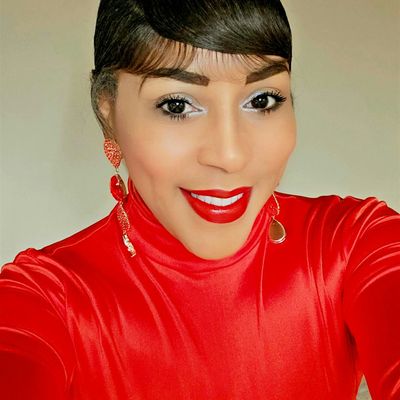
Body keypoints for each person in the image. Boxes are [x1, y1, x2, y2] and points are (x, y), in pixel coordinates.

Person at [0, 0, 399, 399]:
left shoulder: (356, 243)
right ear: (109, 112)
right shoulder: (42, 300)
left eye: (262, 100)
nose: (230, 156)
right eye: (177, 105)